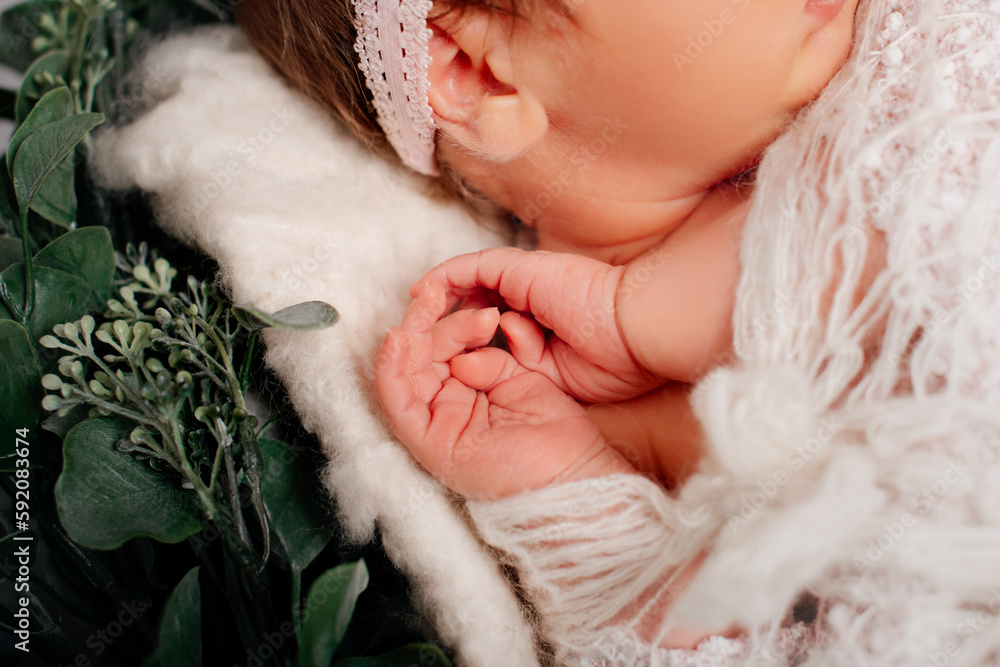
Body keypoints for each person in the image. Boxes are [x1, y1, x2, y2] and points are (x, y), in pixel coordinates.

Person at [235, 0, 861, 649]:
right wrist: (570, 489)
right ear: (482, 74)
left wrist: (639, 316)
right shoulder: (589, 415)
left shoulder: (903, 62)